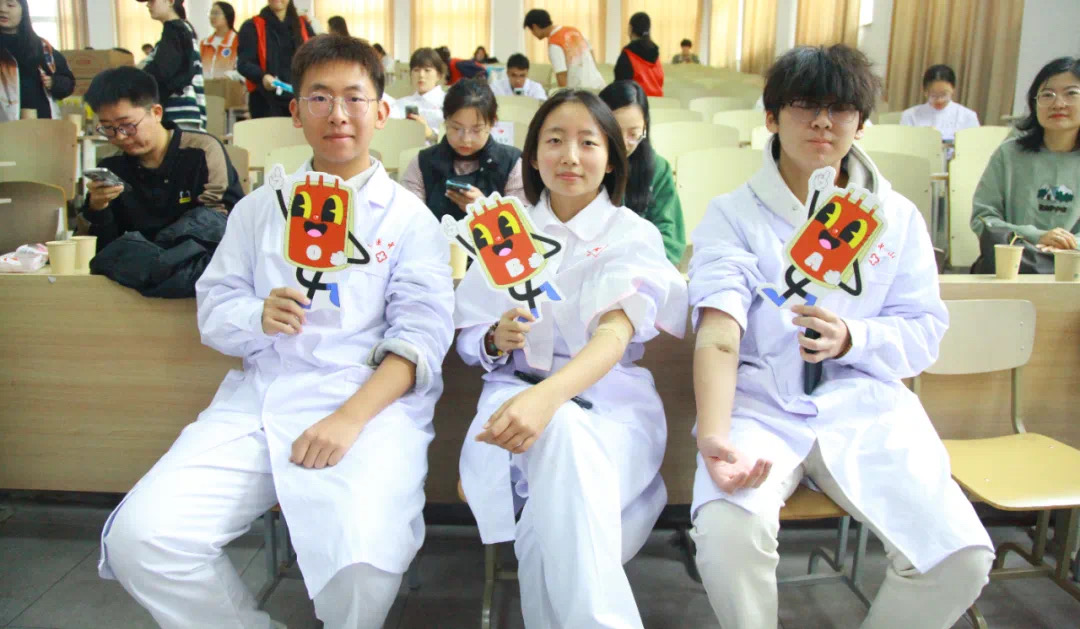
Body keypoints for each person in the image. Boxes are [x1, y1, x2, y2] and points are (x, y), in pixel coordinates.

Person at [96, 35, 455, 629]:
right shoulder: (259, 210)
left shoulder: (409, 220)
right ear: (295, 110)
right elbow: (215, 308)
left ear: (381, 112)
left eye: (354, 98)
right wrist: (256, 315)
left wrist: (349, 419)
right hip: (261, 401)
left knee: (361, 570)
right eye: (319, 98)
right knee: (142, 539)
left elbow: (422, 337)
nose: (337, 115)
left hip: (366, 407)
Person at [688, 44, 994, 629]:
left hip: (864, 404)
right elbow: (719, 331)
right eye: (805, 106)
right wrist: (716, 435)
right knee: (727, 531)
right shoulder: (733, 214)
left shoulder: (896, 217)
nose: (823, 123)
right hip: (761, 404)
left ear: (861, 122)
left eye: (841, 109)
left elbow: (924, 331)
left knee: (959, 557)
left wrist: (854, 337)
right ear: (772, 117)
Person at [456, 88, 687, 629]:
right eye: (555, 141)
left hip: (610, 408)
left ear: (612, 158)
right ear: (533, 156)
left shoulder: (632, 234)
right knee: (559, 516)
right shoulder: (505, 230)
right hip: (513, 399)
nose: (570, 156)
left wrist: (547, 399)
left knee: (548, 509)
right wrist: (494, 338)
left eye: (588, 142)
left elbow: (614, 333)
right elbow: (468, 336)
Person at [79, 66, 242, 297]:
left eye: (127, 125)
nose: (120, 136)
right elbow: (103, 247)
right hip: (135, 285)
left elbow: (220, 223)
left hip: (198, 275)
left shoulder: (202, 151)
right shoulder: (114, 167)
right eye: (108, 128)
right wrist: (98, 208)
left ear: (156, 112)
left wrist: (158, 251)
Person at [971, 57, 1080, 258]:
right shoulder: (1009, 154)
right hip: (1015, 264)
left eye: (1071, 93)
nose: (1058, 103)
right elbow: (983, 219)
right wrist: (1035, 237)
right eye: (1047, 95)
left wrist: (1068, 246)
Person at [401, 78, 523, 221]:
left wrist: (487, 211)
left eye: (476, 130)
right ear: (445, 121)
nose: (466, 139)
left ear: (492, 123)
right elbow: (409, 222)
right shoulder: (422, 163)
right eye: (456, 128)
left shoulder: (512, 164)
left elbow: (523, 226)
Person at [599, 80, 684, 264]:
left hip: (641, 267)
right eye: (614, 131)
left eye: (633, 134)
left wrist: (635, 267)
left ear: (645, 128)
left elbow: (669, 237)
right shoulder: (582, 166)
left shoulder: (657, 168)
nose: (623, 144)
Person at [237, 0, 315, 118]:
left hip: (300, 99)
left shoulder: (303, 25)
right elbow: (244, 63)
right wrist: (262, 76)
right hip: (265, 101)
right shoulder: (252, 26)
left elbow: (315, 58)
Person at [137, 0, 206, 130]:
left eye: (152, 1)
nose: (148, 5)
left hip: (178, 113)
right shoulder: (182, 29)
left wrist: (137, 80)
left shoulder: (175, 29)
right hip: (186, 113)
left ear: (170, 1)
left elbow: (163, 71)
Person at [0, 0, 75, 121]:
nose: (2, 9)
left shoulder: (41, 47)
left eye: (10, 5)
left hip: (41, 124)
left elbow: (68, 83)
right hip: (4, 126)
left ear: (23, 11)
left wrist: (54, 82)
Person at [523, 8, 604, 90]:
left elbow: (561, 75)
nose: (533, 34)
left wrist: (563, 95)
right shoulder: (574, 31)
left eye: (531, 30)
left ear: (535, 26)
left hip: (581, 91)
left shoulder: (554, 43)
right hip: (598, 84)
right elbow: (590, 51)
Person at [900, 64, 979, 143]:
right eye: (933, 95)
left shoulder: (967, 116)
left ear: (953, 89)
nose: (939, 100)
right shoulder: (910, 115)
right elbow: (903, 144)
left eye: (944, 94)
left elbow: (974, 145)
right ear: (925, 92)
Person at [389, 47, 445, 144]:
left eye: (427, 70)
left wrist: (430, 134)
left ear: (438, 75)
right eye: (416, 70)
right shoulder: (399, 104)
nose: (421, 75)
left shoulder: (449, 103)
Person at [614, 11, 663, 97]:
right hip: (659, 103)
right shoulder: (656, 55)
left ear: (630, 29)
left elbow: (620, 87)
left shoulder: (628, 54)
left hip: (637, 102)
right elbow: (660, 80)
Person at [199, 1, 239, 80]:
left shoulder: (237, 41)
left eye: (216, 13)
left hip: (230, 86)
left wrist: (229, 76)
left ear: (227, 16)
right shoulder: (205, 43)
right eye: (211, 13)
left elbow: (243, 70)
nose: (212, 17)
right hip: (207, 86)